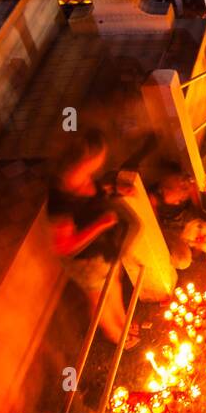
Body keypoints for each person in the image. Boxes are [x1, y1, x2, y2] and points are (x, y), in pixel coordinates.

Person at [47, 130, 136, 349]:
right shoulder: (61, 201)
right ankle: (115, 334)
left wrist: (115, 189)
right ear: (80, 162)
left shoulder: (81, 177)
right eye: (96, 162)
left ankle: (123, 322)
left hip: (102, 248)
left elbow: (94, 192)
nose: (99, 165)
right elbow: (64, 246)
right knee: (99, 297)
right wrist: (99, 225)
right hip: (84, 260)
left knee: (113, 282)